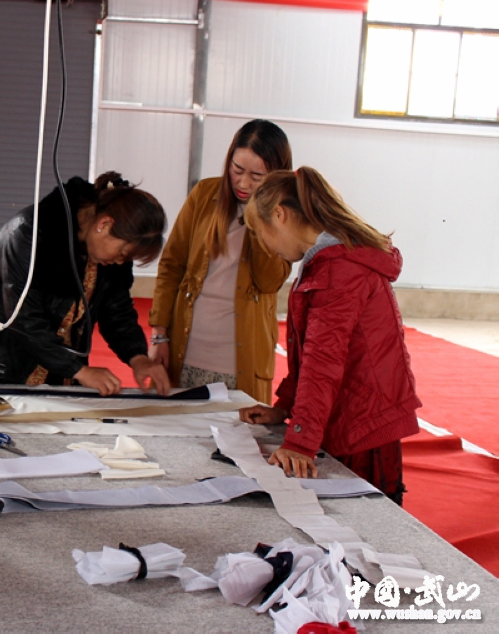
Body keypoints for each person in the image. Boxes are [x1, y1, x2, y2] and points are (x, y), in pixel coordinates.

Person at [237, 166, 421, 504]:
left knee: (365, 524)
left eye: (258, 231)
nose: (263, 244)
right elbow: (309, 355)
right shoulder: (328, 262)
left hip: (363, 427)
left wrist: (299, 442)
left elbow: (323, 361)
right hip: (351, 415)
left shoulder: (339, 269)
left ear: (279, 215)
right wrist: (286, 407)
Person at [0, 172, 171, 396]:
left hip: (54, 376)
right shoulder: (29, 235)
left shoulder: (106, 255)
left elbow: (117, 310)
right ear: (104, 224)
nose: (120, 261)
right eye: (122, 252)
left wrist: (138, 357)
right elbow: (23, 318)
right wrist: (78, 370)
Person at [149, 120, 292, 403]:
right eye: (237, 170)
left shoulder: (285, 213)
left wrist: (260, 216)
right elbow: (171, 265)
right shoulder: (205, 194)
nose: (243, 183)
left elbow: (269, 282)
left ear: (276, 175)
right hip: (185, 352)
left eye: (257, 176)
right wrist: (159, 335)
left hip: (241, 364)